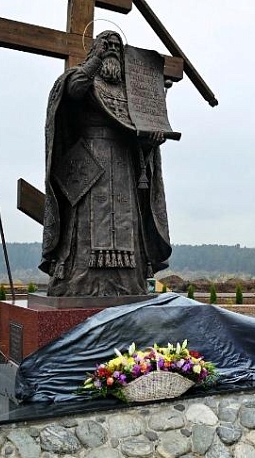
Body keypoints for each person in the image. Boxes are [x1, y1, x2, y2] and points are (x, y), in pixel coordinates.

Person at [42, 31, 171, 296]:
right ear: (95, 48)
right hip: (90, 163)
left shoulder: (131, 92)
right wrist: (96, 59)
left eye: (116, 46)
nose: (112, 49)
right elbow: (74, 91)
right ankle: (79, 283)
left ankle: (127, 283)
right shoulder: (83, 77)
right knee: (84, 226)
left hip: (123, 165)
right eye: (106, 44)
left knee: (127, 225)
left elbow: (139, 135)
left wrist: (151, 141)